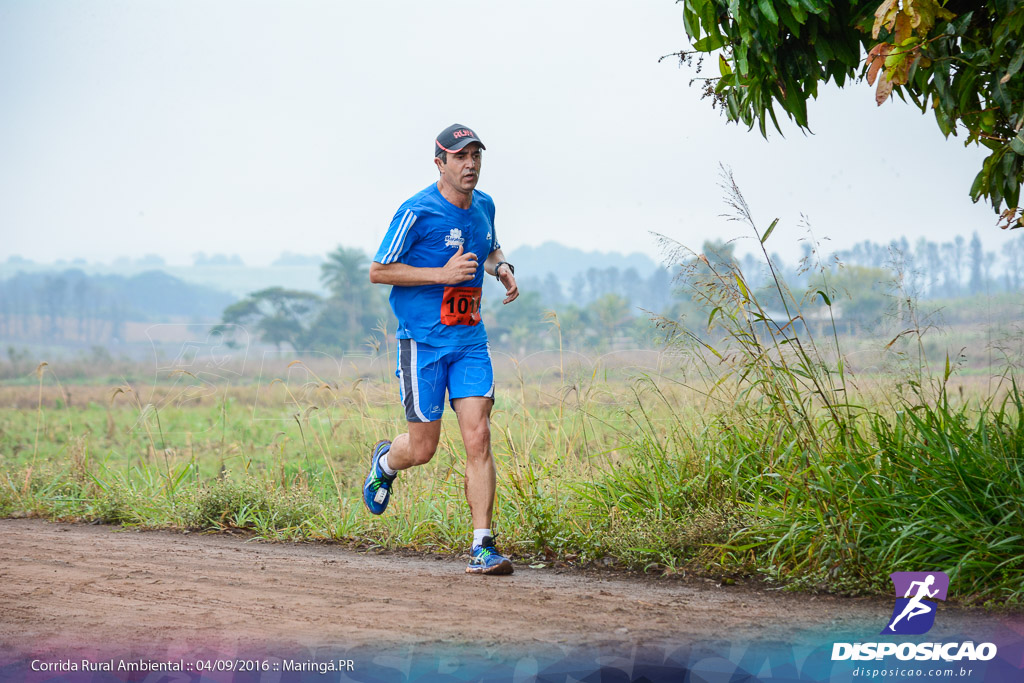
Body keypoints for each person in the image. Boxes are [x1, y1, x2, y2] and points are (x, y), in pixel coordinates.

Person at [364, 123, 519, 575]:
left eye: (476, 156)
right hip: (423, 343)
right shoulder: (416, 211)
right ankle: (385, 462)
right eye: (460, 157)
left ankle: (482, 546)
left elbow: (489, 248)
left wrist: (501, 266)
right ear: (440, 163)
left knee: (479, 436)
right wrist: (441, 275)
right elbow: (378, 270)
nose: (470, 164)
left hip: (469, 339)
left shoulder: (484, 205)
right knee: (423, 448)